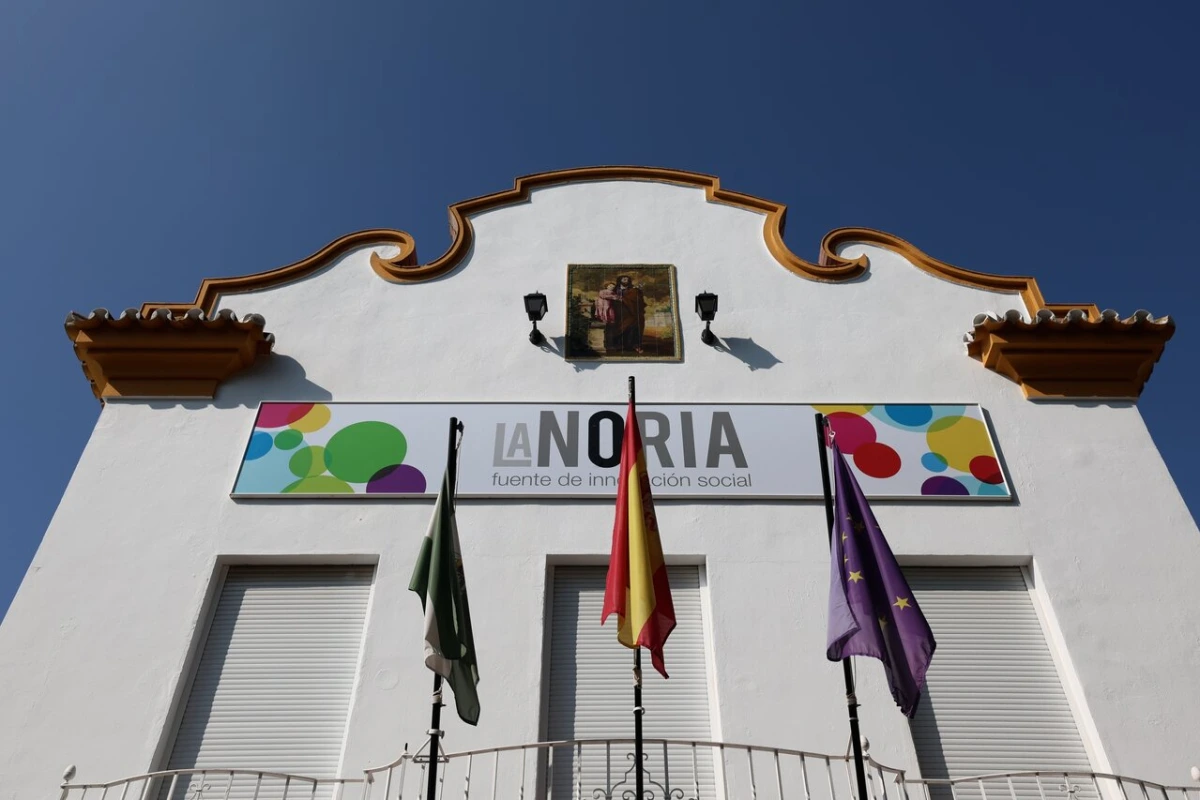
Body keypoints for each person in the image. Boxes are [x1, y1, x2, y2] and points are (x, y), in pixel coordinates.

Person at [614, 274, 646, 353]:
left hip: (631, 313)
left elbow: (639, 301)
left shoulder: (633, 290)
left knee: (633, 329)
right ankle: (619, 346)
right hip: (618, 313)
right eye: (623, 279)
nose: (625, 280)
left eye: (627, 279)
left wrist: (625, 299)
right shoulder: (615, 290)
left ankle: (633, 346)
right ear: (620, 280)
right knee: (619, 329)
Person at [594, 282, 621, 352]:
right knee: (605, 322)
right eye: (610, 286)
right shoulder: (603, 291)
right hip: (603, 307)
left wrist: (615, 297)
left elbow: (618, 298)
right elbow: (603, 296)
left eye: (613, 286)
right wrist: (613, 297)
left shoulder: (613, 293)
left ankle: (610, 344)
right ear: (607, 286)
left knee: (611, 322)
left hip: (609, 307)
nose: (612, 287)